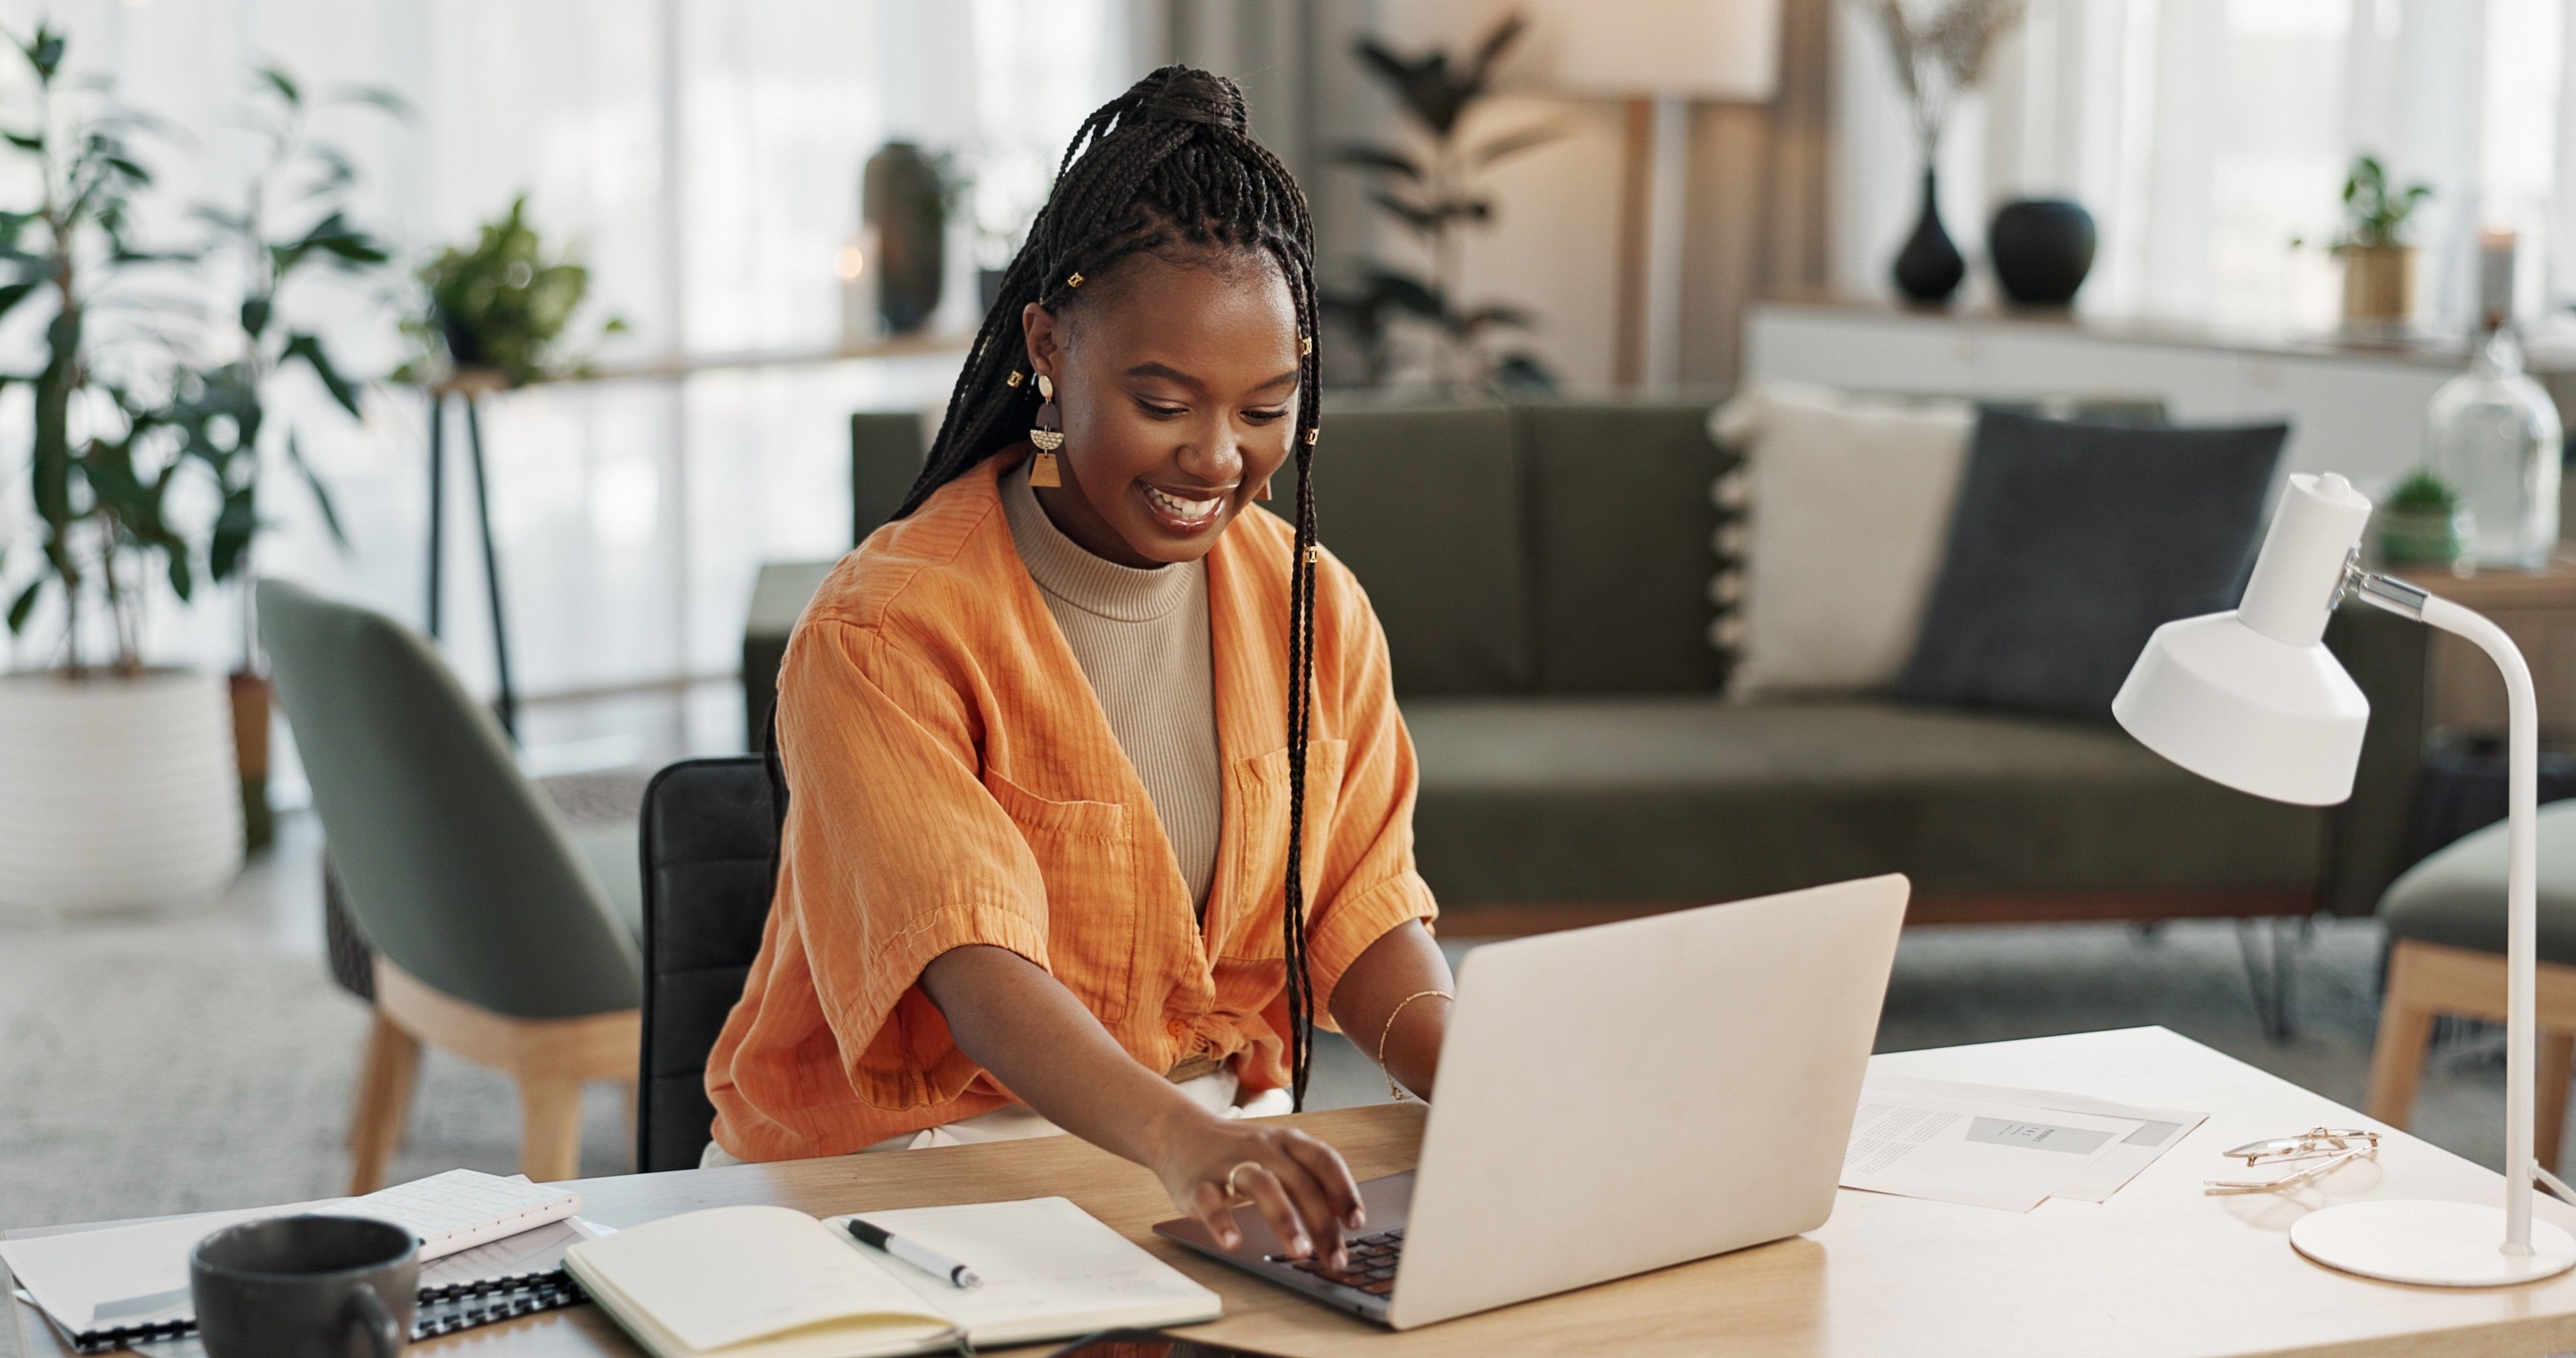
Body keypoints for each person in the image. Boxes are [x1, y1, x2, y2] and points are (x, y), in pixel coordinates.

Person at [702, 67, 1454, 1271]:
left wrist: (1475, 1074)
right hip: (904, 1177)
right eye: (1164, 402)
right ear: (1050, 345)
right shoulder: (885, 631)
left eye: (1266, 409)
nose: (1218, 459)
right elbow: (973, 964)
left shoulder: (1312, 603)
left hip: (1200, 1153)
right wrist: (1179, 1141)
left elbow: (1355, 913)